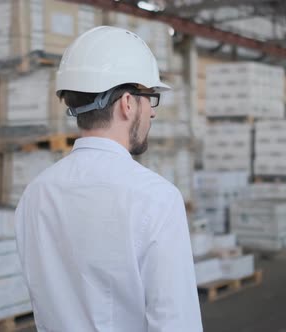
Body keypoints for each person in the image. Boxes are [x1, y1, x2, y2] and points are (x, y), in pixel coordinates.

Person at [15, 26, 203, 332]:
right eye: (150, 99)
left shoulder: (35, 194)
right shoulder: (156, 198)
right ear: (128, 103)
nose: (152, 113)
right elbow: (176, 322)